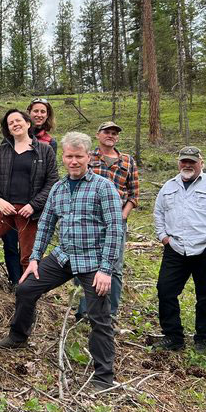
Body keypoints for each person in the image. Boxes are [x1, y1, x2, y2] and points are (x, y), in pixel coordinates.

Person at [0, 132, 123, 391]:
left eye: (79, 156)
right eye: (69, 156)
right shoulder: (59, 188)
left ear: (88, 157)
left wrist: (106, 270)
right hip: (64, 256)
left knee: (99, 317)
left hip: (93, 261)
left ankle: (103, 377)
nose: (73, 161)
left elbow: (115, 229)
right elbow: (46, 224)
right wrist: (35, 259)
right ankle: (18, 336)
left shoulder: (103, 187)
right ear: (63, 157)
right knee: (26, 288)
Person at [153, 147, 206, 352]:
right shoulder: (169, 186)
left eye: (192, 161)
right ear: (178, 163)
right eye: (184, 161)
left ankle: (204, 339)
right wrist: (164, 238)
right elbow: (158, 213)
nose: (187, 165)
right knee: (165, 291)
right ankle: (173, 336)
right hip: (175, 248)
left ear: (201, 162)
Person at [0, 110, 57, 286]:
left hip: (29, 213)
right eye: (11, 123)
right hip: (3, 208)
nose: (15, 124)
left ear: (28, 124)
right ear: (8, 130)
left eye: (18, 120)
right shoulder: (4, 150)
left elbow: (52, 182)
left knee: (29, 257)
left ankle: (26, 295)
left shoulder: (45, 150)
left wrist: (34, 205)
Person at [83, 120, 139, 318]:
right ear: (98, 135)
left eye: (115, 133)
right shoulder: (88, 157)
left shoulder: (127, 161)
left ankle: (110, 313)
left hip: (116, 221)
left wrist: (121, 217)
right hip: (89, 220)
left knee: (114, 267)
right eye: (107, 131)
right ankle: (85, 311)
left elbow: (133, 194)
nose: (111, 135)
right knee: (87, 263)